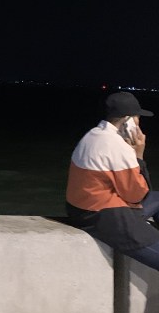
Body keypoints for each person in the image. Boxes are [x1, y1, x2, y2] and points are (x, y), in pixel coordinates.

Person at [66, 90, 159, 269]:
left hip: (81, 210)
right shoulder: (117, 146)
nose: (139, 123)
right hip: (103, 217)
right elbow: (137, 196)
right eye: (138, 118)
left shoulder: (93, 135)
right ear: (128, 121)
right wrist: (138, 156)